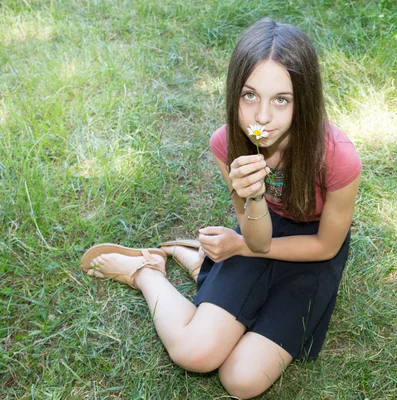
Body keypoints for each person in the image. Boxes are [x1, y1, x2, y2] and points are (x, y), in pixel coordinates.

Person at [80, 17, 361, 399]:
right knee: (195, 353)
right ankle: (145, 271)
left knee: (241, 381)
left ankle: (203, 268)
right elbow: (256, 234)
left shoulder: (339, 158)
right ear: (234, 94)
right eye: (250, 96)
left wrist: (240, 247)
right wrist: (255, 198)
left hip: (311, 252)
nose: (262, 117)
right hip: (261, 231)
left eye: (282, 99)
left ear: (305, 99)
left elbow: (327, 247)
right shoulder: (228, 144)